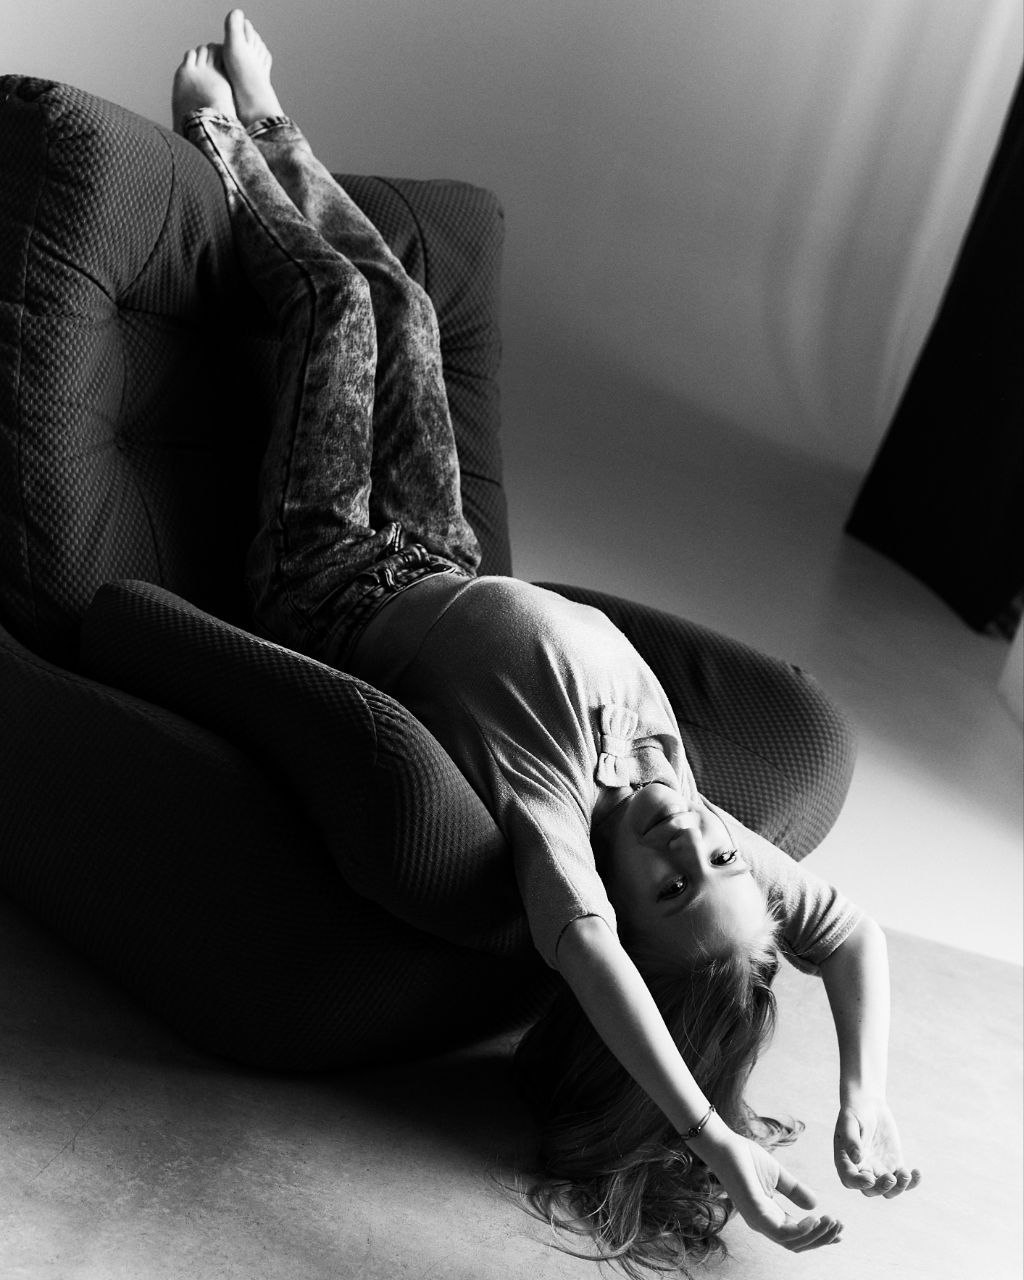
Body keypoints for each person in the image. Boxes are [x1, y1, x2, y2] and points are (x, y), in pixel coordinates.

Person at [172, 12, 921, 1272]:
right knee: (407, 306)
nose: (688, 841)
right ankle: (278, 119)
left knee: (340, 308)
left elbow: (587, 955)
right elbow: (850, 933)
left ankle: (221, 140)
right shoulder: (694, 814)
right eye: (719, 863)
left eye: (666, 886)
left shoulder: (553, 820)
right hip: (442, 549)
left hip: (326, 572)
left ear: (619, 903)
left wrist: (711, 1136)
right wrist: (863, 1093)